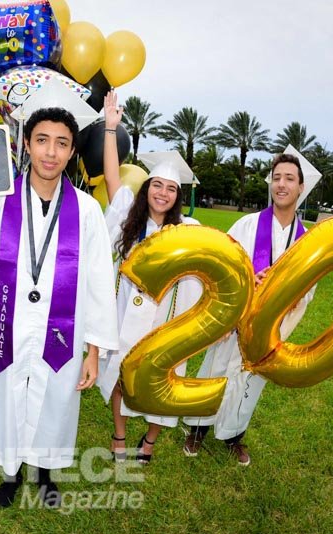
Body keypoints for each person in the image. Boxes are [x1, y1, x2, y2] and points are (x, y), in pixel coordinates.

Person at [0, 106, 119, 508]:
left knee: (55, 396)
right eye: (43, 140)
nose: (51, 152)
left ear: (71, 153)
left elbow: (99, 280)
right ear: (27, 145)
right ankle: (11, 473)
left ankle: (45, 473)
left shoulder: (86, 211)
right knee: (6, 392)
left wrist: (94, 350)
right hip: (6, 323)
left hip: (61, 328)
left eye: (62, 143)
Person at [182, 151, 317, 466]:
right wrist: (249, 280)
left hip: (269, 328)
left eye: (289, 179)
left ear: (300, 188)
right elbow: (225, 267)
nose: (281, 184)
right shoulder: (248, 224)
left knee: (250, 383)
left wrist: (286, 292)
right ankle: (198, 428)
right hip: (237, 319)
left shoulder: (306, 240)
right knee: (215, 370)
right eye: (277, 177)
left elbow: (309, 289)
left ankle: (233, 434)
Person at [96, 90, 203, 465]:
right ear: (147, 188)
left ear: (177, 196)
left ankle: (151, 440)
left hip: (165, 316)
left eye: (171, 189)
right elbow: (111, 174)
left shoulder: (189, 228)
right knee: (122, 372)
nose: (163, 192)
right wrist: (111, 129)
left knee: (163, 378)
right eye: (157, 185)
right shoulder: (129, 213)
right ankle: (119, 435)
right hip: (128, 307)